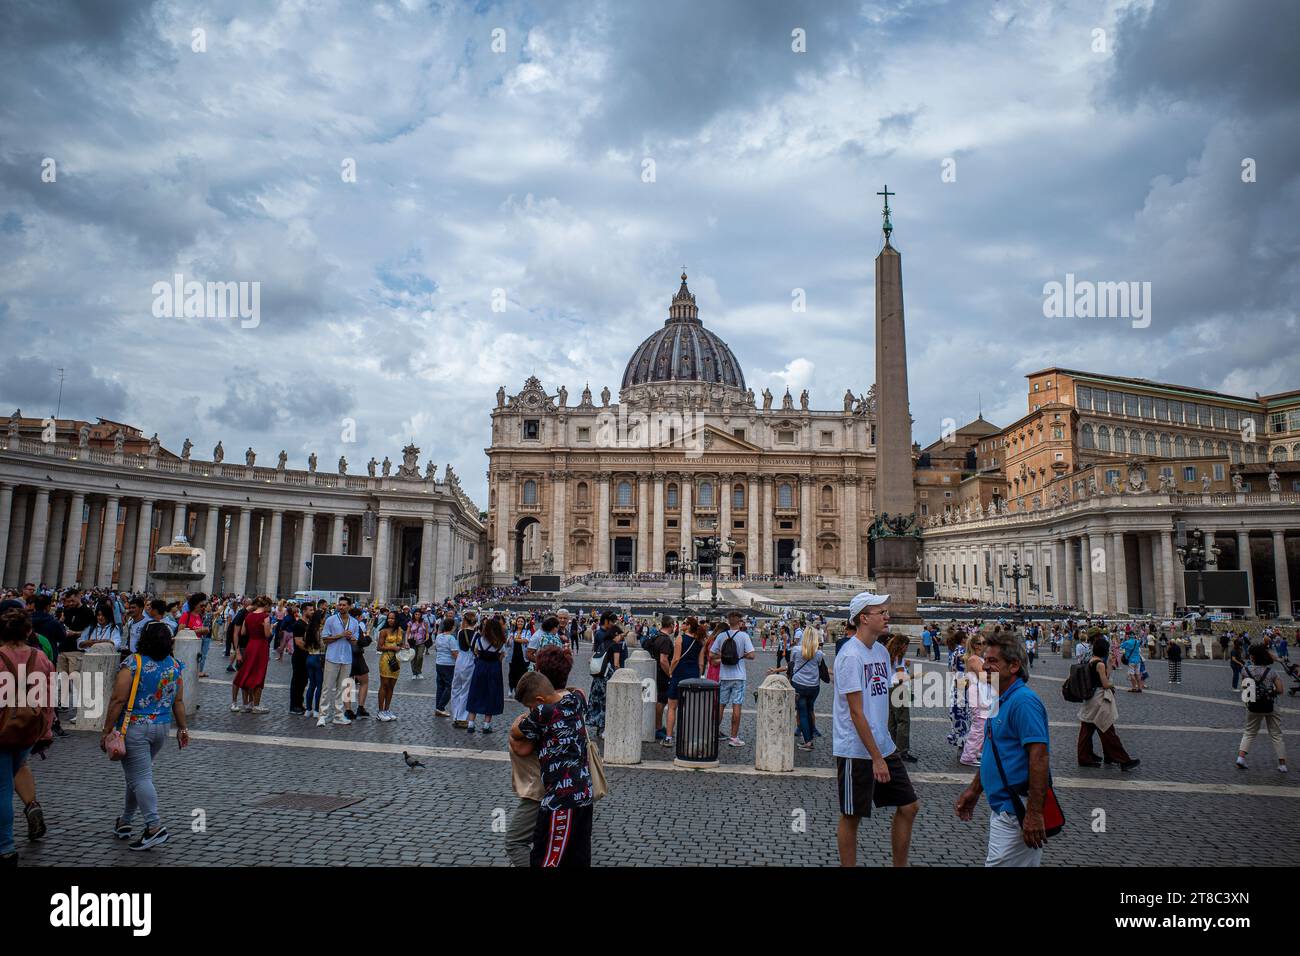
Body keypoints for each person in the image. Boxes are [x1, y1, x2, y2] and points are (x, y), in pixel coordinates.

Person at [833, 591, 919, 867]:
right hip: (856, 750)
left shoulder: (881, 652)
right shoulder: (850, 657)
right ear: (863, 618)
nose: (887, 616)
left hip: (883, 744)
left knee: (909, 806)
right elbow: (857, 712)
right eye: (881, 612)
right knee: (852, 815)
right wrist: (876, 758)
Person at [954, 630, 1052, 866]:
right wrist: (975, 789)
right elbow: (992, 750)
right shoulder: (1001, 699)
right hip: (1004, 808)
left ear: (1014, 665)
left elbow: (1039, 758)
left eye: (993, 661)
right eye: (985, 660)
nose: (985, 666)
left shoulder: (1024, 702)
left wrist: (1035, 812)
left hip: (1017, 809)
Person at [99, 616, 189, 851]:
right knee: (137, 775)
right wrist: (182, 728)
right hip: (161, 727)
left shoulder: (134, 663)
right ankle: (125, 822)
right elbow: (178, 701)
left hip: (135, 727)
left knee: (140, 778)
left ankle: (153, 826)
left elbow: (118, 699)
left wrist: (107, 729)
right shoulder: (174, 664)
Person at [510, 657, 594, 868]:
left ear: (538, 701)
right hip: (584, 796)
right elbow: (576, 689)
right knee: (577, 859)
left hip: (560, 801)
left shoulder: (542, 713)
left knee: (547, 859)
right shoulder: (577, 699)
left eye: (530, 706)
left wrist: (522, 718)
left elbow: (516, 734)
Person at [0, 608, 55, 866]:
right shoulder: (41, 658)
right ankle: (31, 805)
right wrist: (44, 730)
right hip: (27, 729)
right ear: (29, 631)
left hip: (1, 728)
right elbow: (48, 699)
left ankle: (6, 846)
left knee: (1, 789)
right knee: (19, 765)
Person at [1077, 636, 1140, 771]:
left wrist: (1110, 665)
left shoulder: (1092, 660)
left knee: (1087, 729)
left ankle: (1088, 756)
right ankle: (1122, 760)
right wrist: (1111, 685)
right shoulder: (1099, 663)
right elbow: (1105, 683)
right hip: (1099, 700)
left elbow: (1103, 676)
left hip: (1091, 699)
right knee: (1107, 729)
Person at [774, 624, 827, 751]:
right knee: (809, 710)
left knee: (802, 713)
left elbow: (791, 664)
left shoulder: (797, 650)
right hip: (814, 686)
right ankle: (810, 735)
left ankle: (808, 741)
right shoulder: (819, 653)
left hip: (799, 684)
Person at [1237, 642, 1287, 773]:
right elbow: (1281, 690)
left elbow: (1244, 687)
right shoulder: (1272, 672)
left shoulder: (1245, 670)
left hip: (1253, 704)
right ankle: (1282, 764)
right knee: (1276, 734)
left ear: (1252, 657)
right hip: (1270, 704)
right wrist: (1270, 691)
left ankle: (1241, 757)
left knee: (1249, 731)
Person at [710, 610, 755, 748]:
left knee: (721, 705)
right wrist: (740, 656)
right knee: (737, 706)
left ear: (729, 621)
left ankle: (713, 733)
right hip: (739, 676)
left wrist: (722, 657)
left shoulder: (722, 636)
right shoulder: (743, 636)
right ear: (740, 621)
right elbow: (752, 655)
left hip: (724, 676)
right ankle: (734, 737)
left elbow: (711, 655)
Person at [664, 617, 707, 748]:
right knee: (689, 708)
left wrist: (670, 672)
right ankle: (687, 736)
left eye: (683, 623)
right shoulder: (700, 642)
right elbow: (701, 663)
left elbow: (676, 659)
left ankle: (669, 737)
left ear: (688, 626)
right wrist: (698, 676)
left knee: (672, 707)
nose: (681, 625)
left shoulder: (680, 638)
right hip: (693, 674)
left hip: (679, 674)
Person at [317, 597, 360, 727]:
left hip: (346, 658)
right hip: (332, 657)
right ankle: (322, 715)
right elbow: (325, 639)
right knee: (327, 687)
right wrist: (340, 635)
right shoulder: (331, 620)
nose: (341, 607)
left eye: (343, 605)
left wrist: (350, 638)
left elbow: (355, 642)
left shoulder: (354, 622)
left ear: (349, 606)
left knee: (343, 688)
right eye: (339, 605)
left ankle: (339, 715)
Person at [231, 596, 272, 713]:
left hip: (250, 645)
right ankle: (256, 705)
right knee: (259, 673)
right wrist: (269, 628)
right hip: (261, 646)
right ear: (266, 606)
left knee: (248, 672)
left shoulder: (248, 616)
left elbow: (243, 632)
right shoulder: (265, 617)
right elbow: (267, 634)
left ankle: (248, 704)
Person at [466, 616, 507, 733]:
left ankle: (471, 723)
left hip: (480, 667)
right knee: (491, 694)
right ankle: (486, 725)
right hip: (494, 668)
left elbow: (476, 652)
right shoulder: (500, 643)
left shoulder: (479, 640)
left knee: (475, 692)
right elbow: (501, 657)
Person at [588, 622, 624, 737]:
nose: (620, 639)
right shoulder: (615, 645)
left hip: (598, 677)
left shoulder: (603, 644)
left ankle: (599, 727)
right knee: (608, 702)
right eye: (620, 636)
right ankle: (606, 730)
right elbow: (617, 664)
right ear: (616, 634)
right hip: (607, 677)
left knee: (598, 702)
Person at [960, 633, 989, 767]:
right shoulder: (974, 659)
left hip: (980, 693)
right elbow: (985, 676)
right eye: (979, 643)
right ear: (973, 645)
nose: (982, 646)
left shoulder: (978, 658)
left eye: (984, 643)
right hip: (977, 694)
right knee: (979, 725)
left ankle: (975, 751)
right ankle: (968, 756)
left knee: (982, 724)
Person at [885, 633, 915, 762]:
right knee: (903, 720)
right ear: (902, 645)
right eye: (906, 646)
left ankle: (892, 748)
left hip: (887, 688)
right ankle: (902, 750)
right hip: (898, 688)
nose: (906, 649)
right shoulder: (898, 657)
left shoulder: (887, 654)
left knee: (891, 721)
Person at [375, 610, 406, 722]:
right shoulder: (384, 631)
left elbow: (401, 644)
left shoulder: (400, 631)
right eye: (389, 618)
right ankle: (380, 711)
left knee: (392, 686)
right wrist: (392, 648)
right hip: (386, 659)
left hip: (396, 660)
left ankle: (387, 709)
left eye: (393, 618)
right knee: (384, 684)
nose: (390, 620)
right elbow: (379, 647)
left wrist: (404, 646)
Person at [649, 615, 676, 742]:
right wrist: (670, 673)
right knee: (662, 700)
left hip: (656, 672)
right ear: (671, 625)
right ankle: (658, 727)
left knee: (660, 699)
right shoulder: (665, 640)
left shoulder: (657, 636)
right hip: (662, 674)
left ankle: (657, 726)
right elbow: (663, 660)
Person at [451, 610, 478, 729]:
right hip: (469, 660)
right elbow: (476, 651)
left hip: (459, 660)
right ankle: (462, 717)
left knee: (455, 687)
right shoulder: (477, 635)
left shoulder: (460, 632)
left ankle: (455, 715)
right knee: (465, 690)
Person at [945, 629, 970, 749]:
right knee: (962, 710)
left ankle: (959, 737)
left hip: (956, 680)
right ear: (963, 639)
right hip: (962, 681)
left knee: (957, 709)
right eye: (967, 637)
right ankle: (962, 739)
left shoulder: (954, 650)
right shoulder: (962, 651)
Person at [176, 593, 209, 676]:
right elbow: (180, 632)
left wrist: (204, 631)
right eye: (201, 605)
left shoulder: (199, 616)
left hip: (196, 648)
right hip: (186, 649)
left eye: (204, 605)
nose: (203, 608)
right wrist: (197, 631)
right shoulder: (186, 615)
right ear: (195, 604)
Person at [301, 608, 325, 718]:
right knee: (319, 686)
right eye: (324, 618)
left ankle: (308, 709)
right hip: (318, 657)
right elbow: (323, 645)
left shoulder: (308, 629)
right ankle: (316, 710)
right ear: (320, 619)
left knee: (311, 685)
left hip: (309, 657)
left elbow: (305, 643)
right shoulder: (320, 630)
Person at [433, 618, 458, 718]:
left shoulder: (439, 636)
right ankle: (441, 707)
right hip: (448, 664)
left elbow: (435, 648)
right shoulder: (451, 638)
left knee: (440, 686)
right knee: (449, 686)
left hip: (439, 663)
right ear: (452, 627)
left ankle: (438, 707)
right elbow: (454, 653)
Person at [507, 615, 530, 695]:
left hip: (523, 656)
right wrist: (509, 640)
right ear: (516, 623)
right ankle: (511, 687)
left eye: (521, 621)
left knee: (522, 673)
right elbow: (508, 644)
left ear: (524, 623)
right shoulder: (512, 632)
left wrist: (515, 639)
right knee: (512, 672)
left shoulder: (527, 632)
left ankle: (519, 689)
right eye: (518, 621)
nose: (520, 623)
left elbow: (526, 640)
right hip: (513, 655)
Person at [406, 611, 428, 680]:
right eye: (416, 614)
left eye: (419, 614)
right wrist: (406, 642)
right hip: (413, 642)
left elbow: (427, 632)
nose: (417, 615)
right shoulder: (410, 622)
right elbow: (408, 632)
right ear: (414, 615)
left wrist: (427, 638)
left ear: (421, 615)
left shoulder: (424, 622)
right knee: (413, 657)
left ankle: (419, 672)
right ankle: (414, 673)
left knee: (420, 657)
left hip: (422, 642)